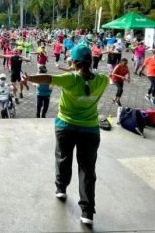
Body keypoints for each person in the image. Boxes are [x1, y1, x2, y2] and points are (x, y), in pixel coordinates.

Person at [26, 45, 109, 226]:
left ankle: (61, 188)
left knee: (63, 157)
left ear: (74, 62)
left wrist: (30, 77)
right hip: (90, 130)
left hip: (66, 126)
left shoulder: (70, 79)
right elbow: (89, 76)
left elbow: (47, 78)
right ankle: (87, 212)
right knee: (87, 169)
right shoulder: (103, 80)